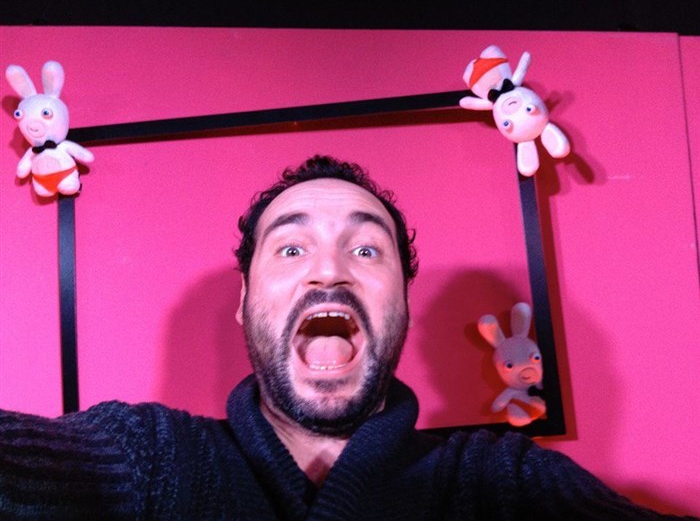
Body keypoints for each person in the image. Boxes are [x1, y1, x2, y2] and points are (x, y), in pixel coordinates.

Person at [0, 155, 695, 520]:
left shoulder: (499, 481)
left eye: (366, 251)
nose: (329, 270)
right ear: (244, 303)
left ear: (403, 307)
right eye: (291, 249)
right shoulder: (152, 457)